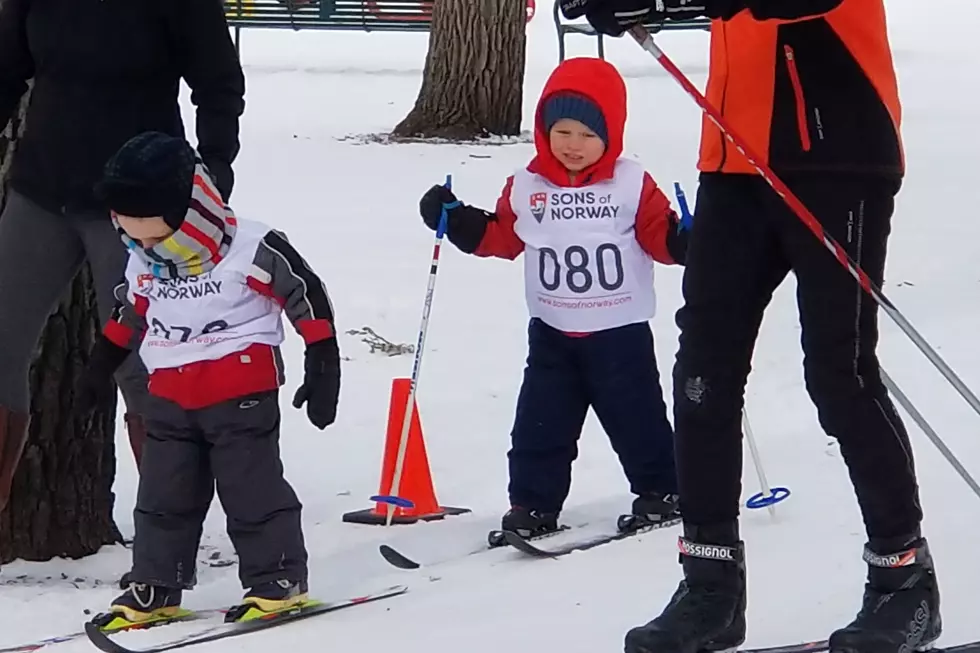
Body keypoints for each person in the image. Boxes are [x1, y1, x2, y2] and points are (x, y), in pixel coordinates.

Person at [557, 2, 941, 652]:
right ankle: (710, 585)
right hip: (734, 153)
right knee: (702, 374)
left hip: (837, 147)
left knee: (838, 373)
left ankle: (904, 581)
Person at [417, 57, 691, 543]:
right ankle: (533, 504)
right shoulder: (527, 185)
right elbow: (503, 237)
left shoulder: (631, 183)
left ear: (612, 134)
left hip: (619, 331)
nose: (573, 146)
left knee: (637, 418)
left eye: (588, 135)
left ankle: (662, 491)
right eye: (562, 132)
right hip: (552, 332)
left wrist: (686, 240)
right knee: (540, 425)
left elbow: (657, 238)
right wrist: (460, 222)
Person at [77, 132, 340, 626]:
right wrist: (99, 367)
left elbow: (306, 294)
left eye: (157, 236)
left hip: (240, 392)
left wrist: (322, 359)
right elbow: (128, 313)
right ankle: (156, 585)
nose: (146, 247)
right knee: (161, 495)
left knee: (251, 489)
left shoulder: (251, 248)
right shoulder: (143, 261)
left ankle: (277, 579)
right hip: (170, 395)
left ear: (193, 214)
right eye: (134, 236)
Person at [0, 0, 246, 512]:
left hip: (138, 206)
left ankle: (169, 530)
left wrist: (215, 167)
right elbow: (6, 68)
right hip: (41, 190)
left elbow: (219, 82)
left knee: (145, 363)